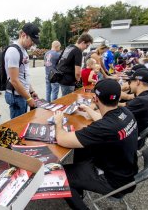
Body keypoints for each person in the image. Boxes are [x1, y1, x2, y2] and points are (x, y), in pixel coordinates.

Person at [53, 79, 138, 210]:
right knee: (83, 148)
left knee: (59, 176)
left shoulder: (105, 127)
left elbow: (62, 139)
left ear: (95, 98)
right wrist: (87, 109)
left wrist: (58, 122)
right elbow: (105, 119)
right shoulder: (125, 113)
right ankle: (79, 188)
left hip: (112, 180)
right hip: (125, 172)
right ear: (118, 97)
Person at [4, 23, 40, 119]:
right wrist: (28, 98)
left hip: (22, 94)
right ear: (23, 35)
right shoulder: (13, 51)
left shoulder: (23, 50)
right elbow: (14, 80)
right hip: (16, 96)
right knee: (18, 126)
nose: (33, 44)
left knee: (24, 123)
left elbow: (24, 74)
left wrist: (31, 91)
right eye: (32, 40)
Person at [120, 69, 148, 136]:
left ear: (137, 82)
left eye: (130, 82)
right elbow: (125, 104)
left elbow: (115, 115)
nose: (129, 85)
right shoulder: (147, 96)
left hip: (129, 137)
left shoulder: (141, 100)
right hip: (135, 134)